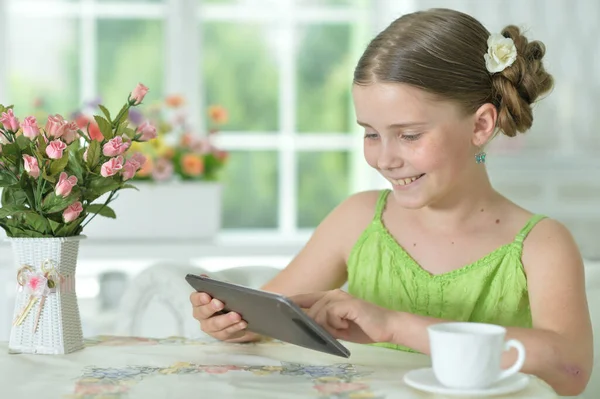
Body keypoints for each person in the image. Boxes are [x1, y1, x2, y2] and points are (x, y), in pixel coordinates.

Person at [190, 8, 592, 396]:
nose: (385, 159)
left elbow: (572, 372)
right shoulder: (358, 219)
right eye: (371, 134)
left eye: (409, 135)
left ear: (481, 125)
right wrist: (234, 323)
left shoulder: (542, 244)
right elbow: (271, 313)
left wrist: (396, 326)